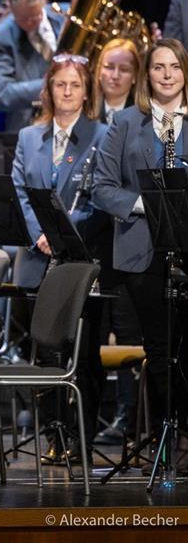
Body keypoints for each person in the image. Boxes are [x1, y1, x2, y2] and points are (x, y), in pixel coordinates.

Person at [10, 55, 108, 454]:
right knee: (46, 353)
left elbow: (101, 195)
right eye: (59, 85)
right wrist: (41, 234)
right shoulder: (29, 137)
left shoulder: (103, 135)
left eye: (75, 85)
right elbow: (19, 191)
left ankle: (81, 438)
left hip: (82, 260)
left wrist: (63, 232)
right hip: (38, 259)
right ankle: (53, 434)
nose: (67, 92)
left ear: (87, 93)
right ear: (48, 90)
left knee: (84, 356)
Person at [92, 38, 188, 431]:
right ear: (147, 74)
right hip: (141, 253)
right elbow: (102, 187)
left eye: (175, 67)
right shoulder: (127, 121)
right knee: (160, 349)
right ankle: (168, 437)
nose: (167, 75)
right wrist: (147, 205)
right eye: (158, 67)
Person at [0, 0, 66, 131]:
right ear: (8, 1)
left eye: (35, 16)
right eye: (22, 18)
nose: (29, 23)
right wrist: (52, 85)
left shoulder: (69, 16)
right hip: (33, 130)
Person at [90, 37, 140, 124]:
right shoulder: (84, 110)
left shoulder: (145, 117)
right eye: (109, 67)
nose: (115, 76)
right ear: (99, 71)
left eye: (124, 69)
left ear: (134, 77)